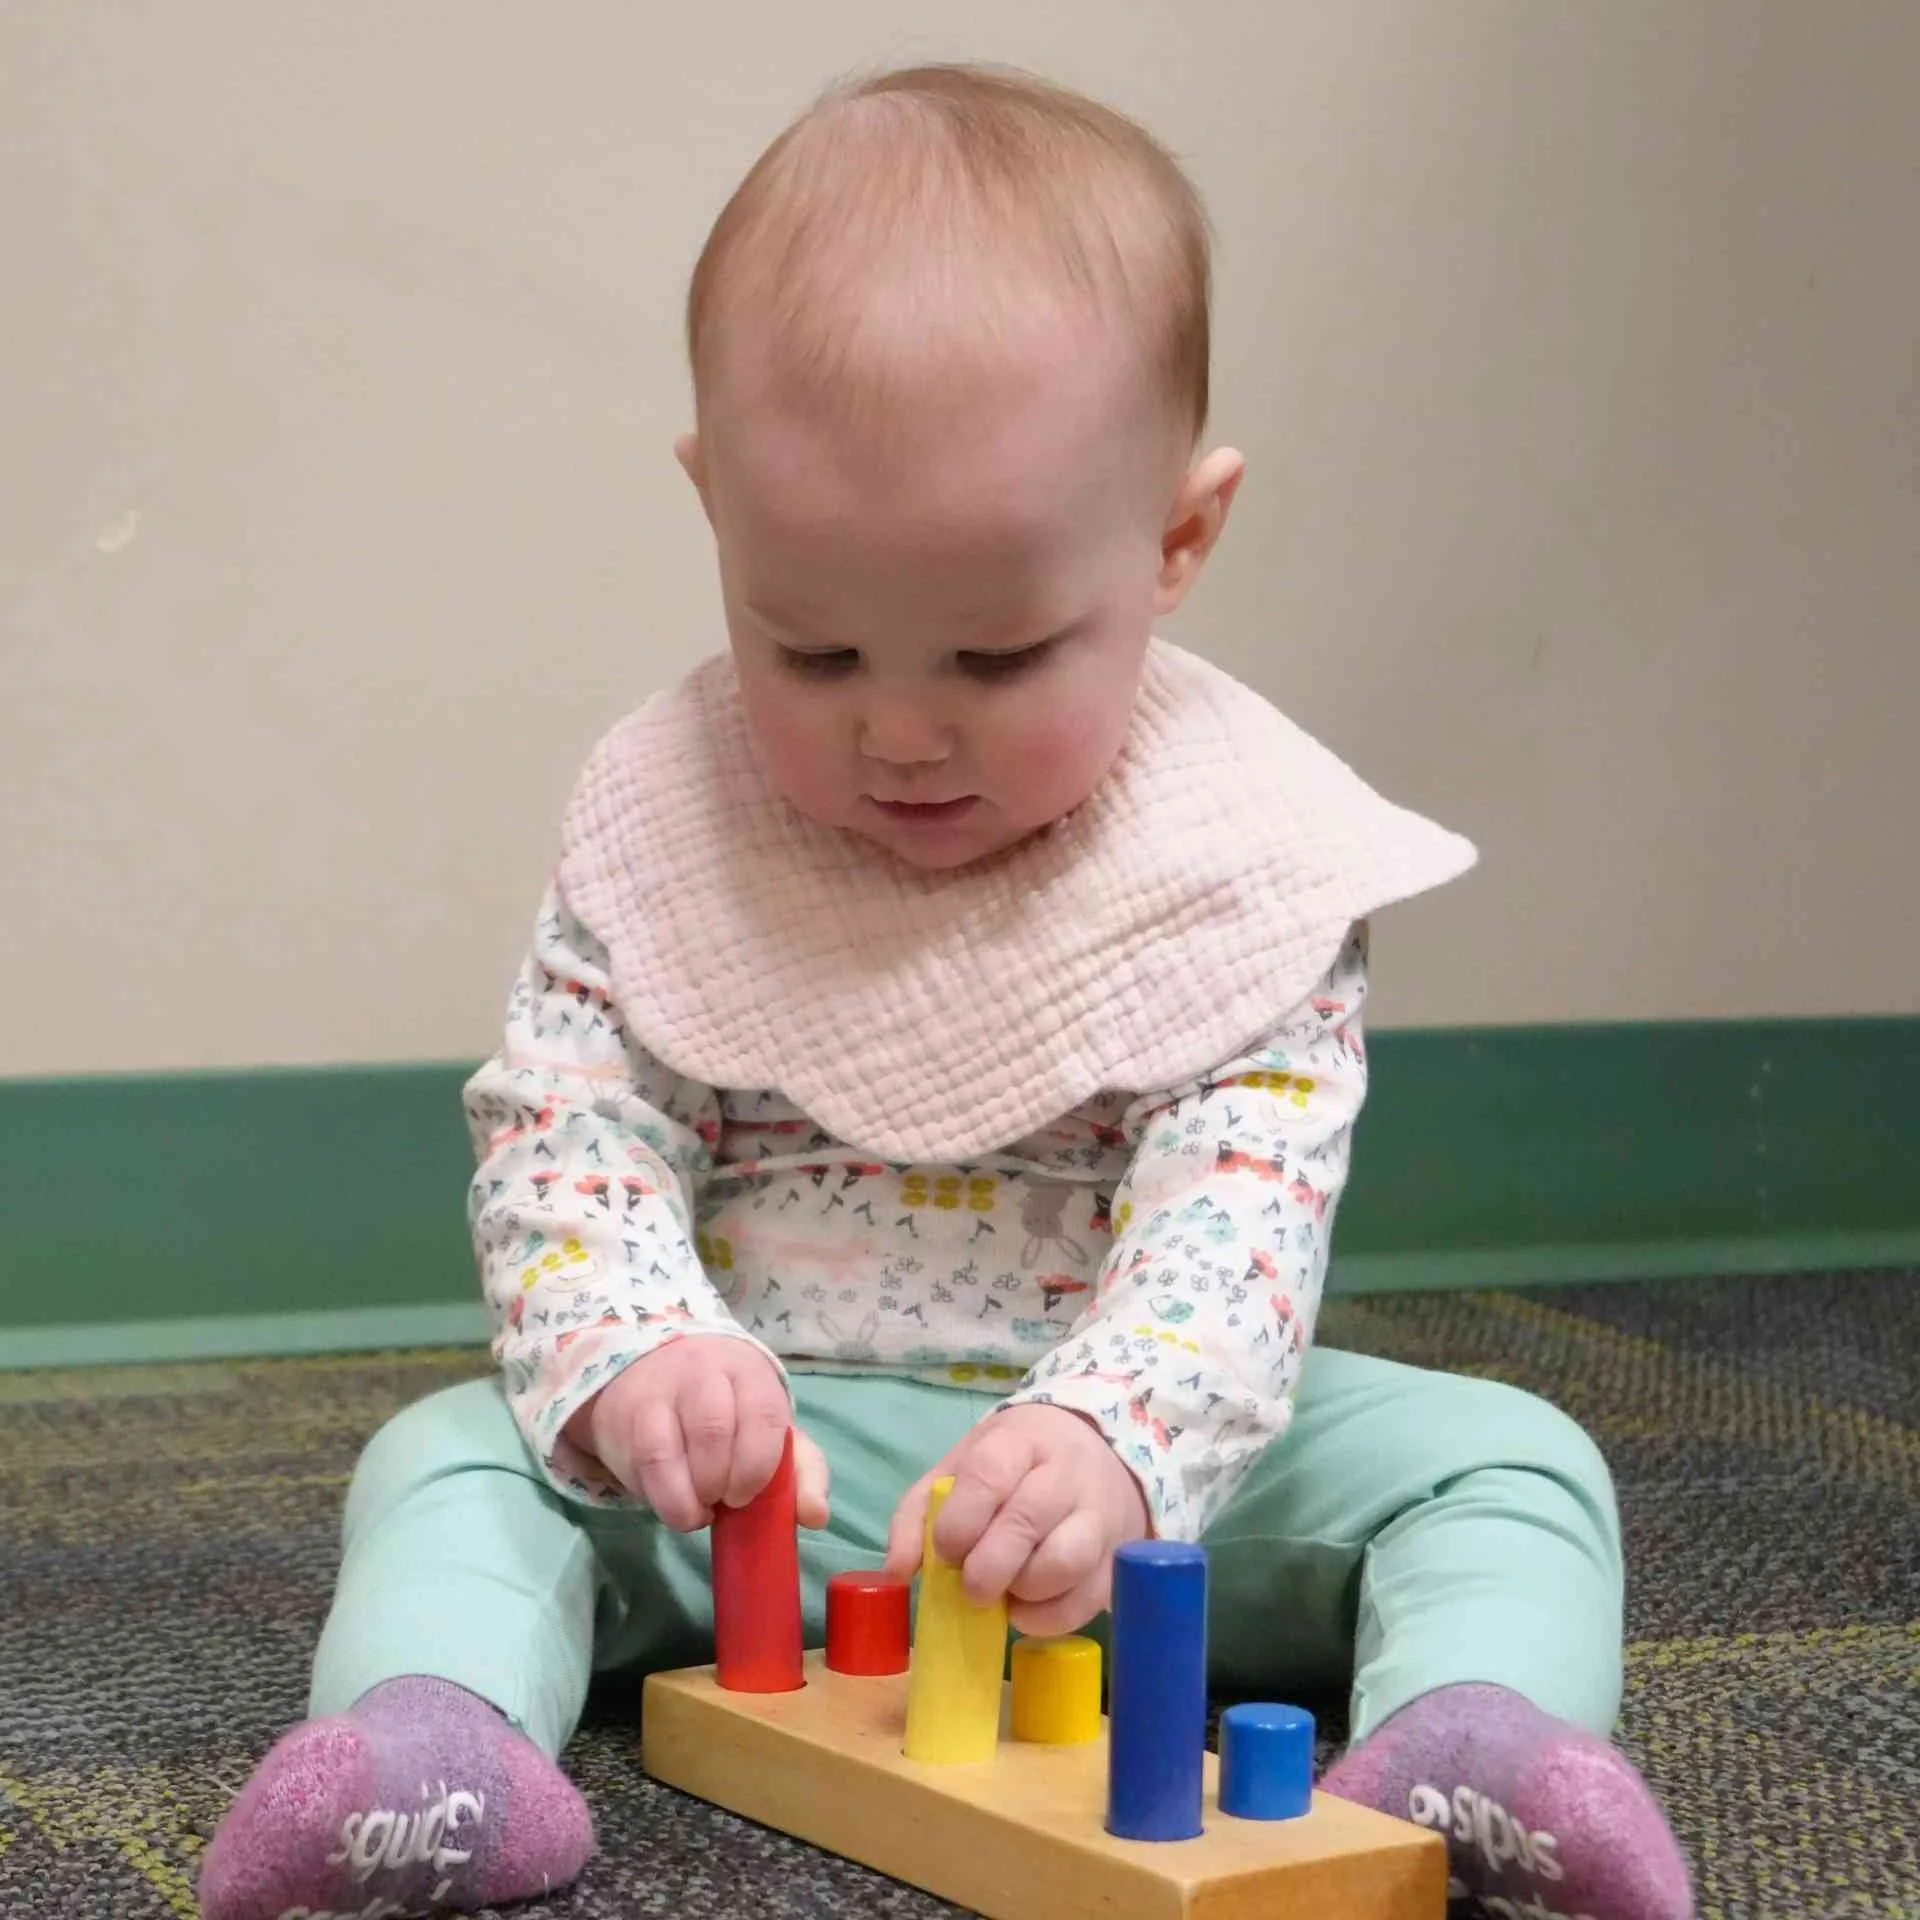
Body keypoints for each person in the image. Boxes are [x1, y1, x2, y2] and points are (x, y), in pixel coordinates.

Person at [200, 63, 1692, 1920]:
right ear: (714, 507)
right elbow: (565, 1128)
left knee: (1509, 1458)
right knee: (442, 1459)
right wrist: (649, 1357)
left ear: (1175, 543)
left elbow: (1244, 1213)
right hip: (770, 1480)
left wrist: (1118, 1440)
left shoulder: (1237, 858)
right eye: (808, 642)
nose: (899, 729)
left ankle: (1475, 1747)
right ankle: (434, 1760)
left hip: (1133, 1511)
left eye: (997, 652)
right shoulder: (672, 819)